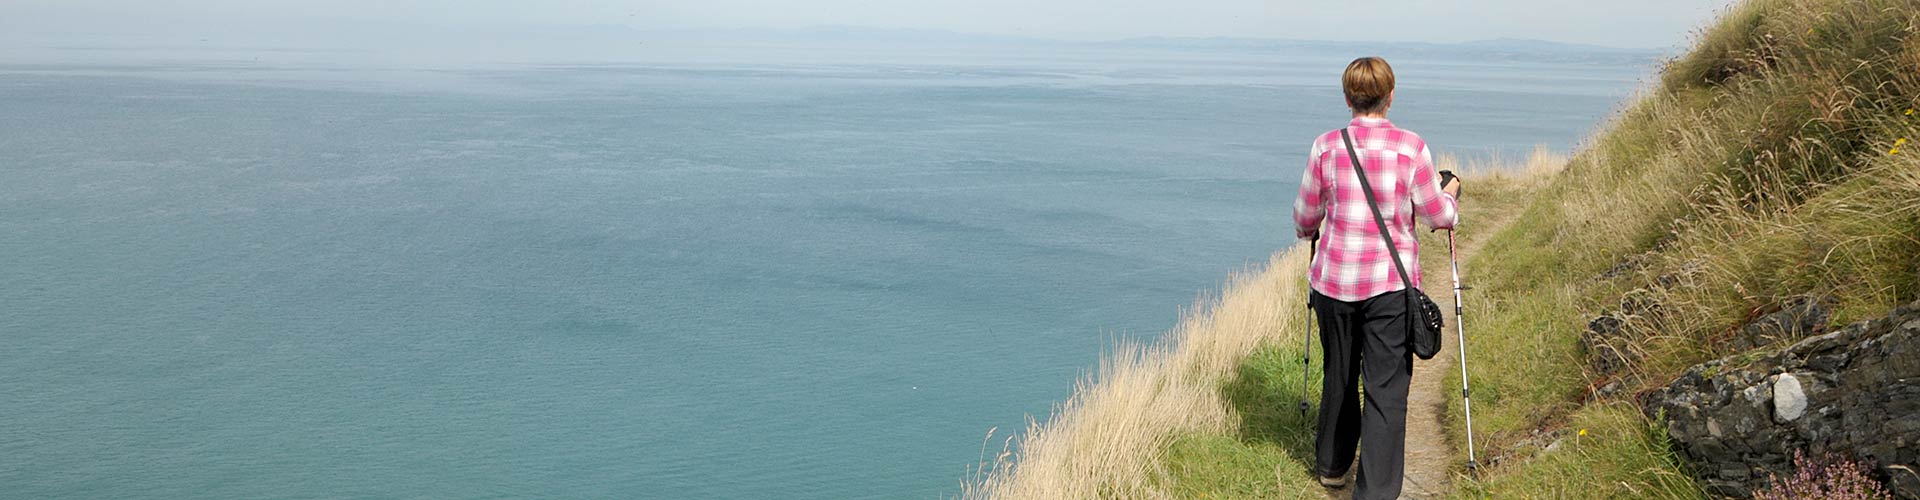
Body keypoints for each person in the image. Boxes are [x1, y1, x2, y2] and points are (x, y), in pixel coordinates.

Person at [1290, 56, 1460, 499]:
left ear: (1347, 98)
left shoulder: (1326, 147)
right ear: (1390, 96)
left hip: (1333, 282)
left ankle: (1332, 466)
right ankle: (1376, 491)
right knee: (1386, 389)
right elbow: (1437, 216)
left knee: (1339, 373)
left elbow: (1305, 216)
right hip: (1389, 287)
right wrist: (1452, 193)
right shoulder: (1411, 147)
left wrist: (1312, 229)